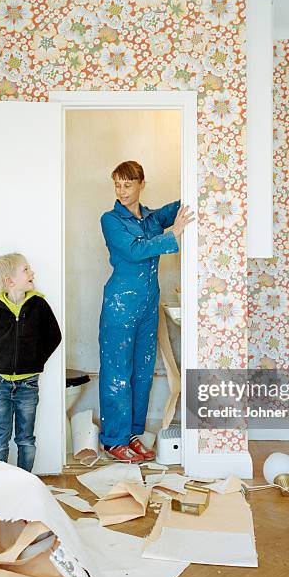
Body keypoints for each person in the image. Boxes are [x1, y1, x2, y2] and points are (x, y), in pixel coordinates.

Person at [99, 161, 194, 462]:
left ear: (142, 184)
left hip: (147, 306)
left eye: (128, 184)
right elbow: (135, 251)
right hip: (120, 305)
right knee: (117, 373)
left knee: (142, 373)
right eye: (117, 184)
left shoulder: (152, 218)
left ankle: (132, 435)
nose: (122, 191)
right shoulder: (111, 220)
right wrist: (174, 234)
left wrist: (202, 185)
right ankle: (113, 439)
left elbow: (184, 204)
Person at [0, 253, 61, 472]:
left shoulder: (39, 306)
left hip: (28, 384)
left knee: (26, 438)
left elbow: (54, 336)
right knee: (0, 438)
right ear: (10, 281)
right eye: (26, 269)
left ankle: (24, 484)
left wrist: (36, 360)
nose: (32, 272)